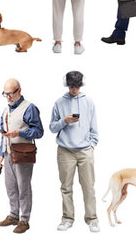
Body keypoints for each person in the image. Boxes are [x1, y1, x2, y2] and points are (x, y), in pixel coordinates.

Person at [49, 71, 98, 232]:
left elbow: (94, 126)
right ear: (67, 85)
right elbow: (51, 127)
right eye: (71, 86)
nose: (74, 90)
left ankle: (92, 219)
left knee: (88, 187)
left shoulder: (89, 102)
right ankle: (67, 218)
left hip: (85, 151)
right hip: (65, 151)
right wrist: (64, 121)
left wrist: (92, 145)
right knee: (66, 187)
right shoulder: (59, 103)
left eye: (77, 86)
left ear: (81, 85)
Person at [0, 78, 43, 234]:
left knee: (24, 188)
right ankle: (13, 215)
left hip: (23, 154)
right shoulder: (5, 111)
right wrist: (1, 154)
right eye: (5, 94)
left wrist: (19, 133)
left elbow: (39, 131)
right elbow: (3, 135)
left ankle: (24, 220)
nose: (8, 97)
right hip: (9, 154)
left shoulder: (29, 108)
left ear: (19, 90)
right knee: (10, 187)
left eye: (11, 93)